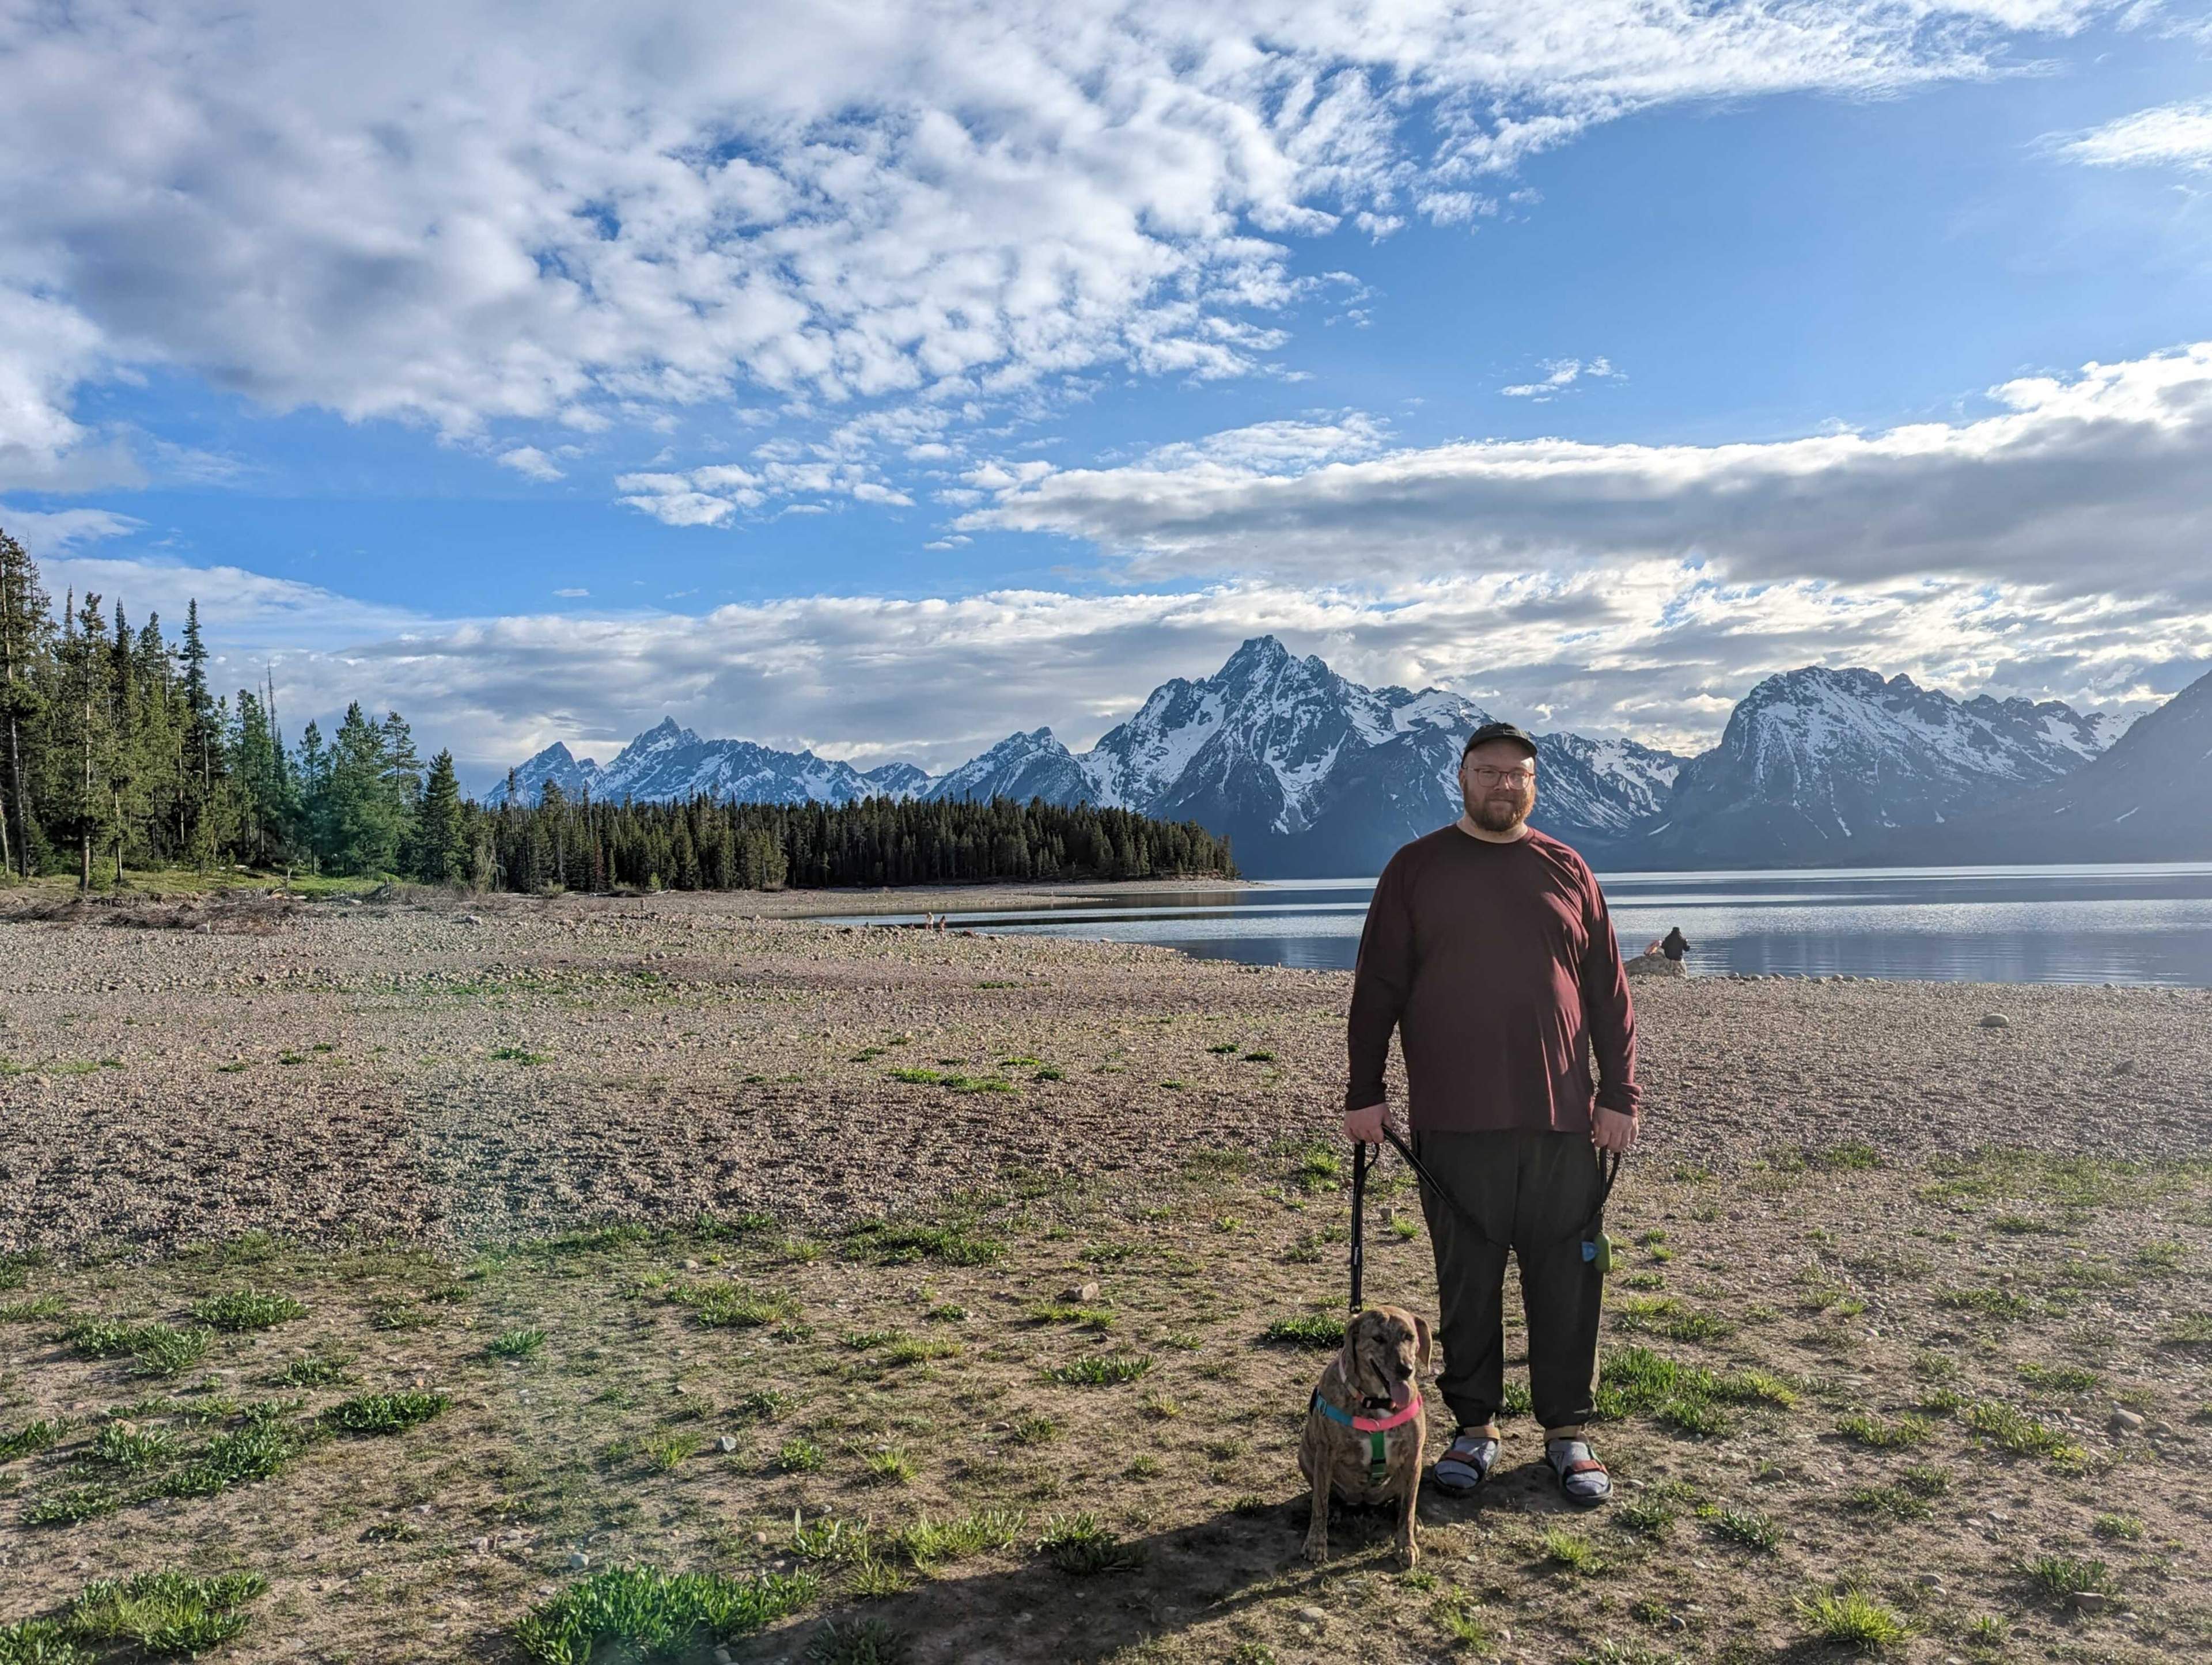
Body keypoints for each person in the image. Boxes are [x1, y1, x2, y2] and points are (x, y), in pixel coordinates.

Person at [1342, 720, 1641, 1507]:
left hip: (1564, 1124)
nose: (1504, 785)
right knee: (1468, 1284)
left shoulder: (1568, 869)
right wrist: (1363, 1091)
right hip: (1454, 1123)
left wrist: (1619, 1096)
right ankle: (1474, 1430)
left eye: (1518, 773)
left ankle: (1567, 1434)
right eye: (1488, 771)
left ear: (1535, 785)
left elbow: (1610, 992)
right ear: (1463, 778)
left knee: (1567, 1282)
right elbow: (1377, 989)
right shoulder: (1416, 870)